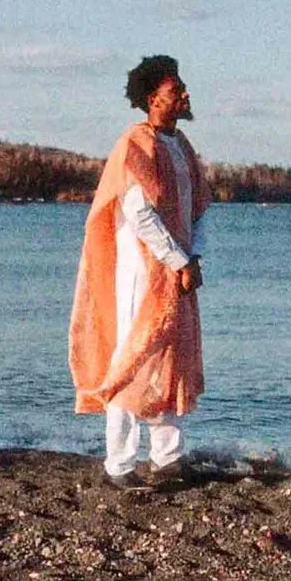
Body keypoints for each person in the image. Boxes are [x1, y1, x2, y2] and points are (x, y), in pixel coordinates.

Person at [69, 55, 211, 490]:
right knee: (133, 357)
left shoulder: (182, 145)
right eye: (176, 91)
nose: (185, 95)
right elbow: (139, 212)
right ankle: (120, 463)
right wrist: (177, 259)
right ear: (153, 99)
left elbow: (200, 209)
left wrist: (195, 257)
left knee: (172, 357)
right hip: (141, 271)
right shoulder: (135, 143)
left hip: (179, 269)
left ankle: (168, 457)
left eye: (183, 88)